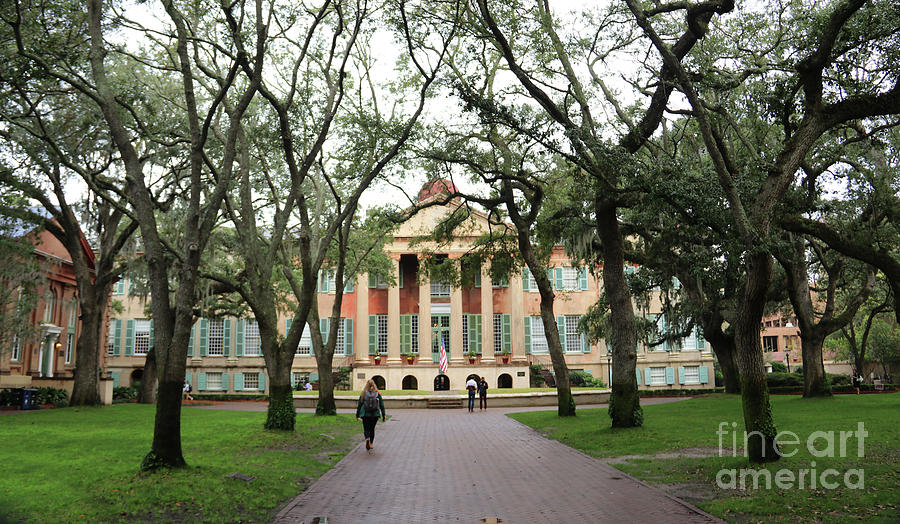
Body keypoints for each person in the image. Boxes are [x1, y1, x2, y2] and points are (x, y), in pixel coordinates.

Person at [356, 379, 386, 453]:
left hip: (365, 414)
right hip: (375, 414)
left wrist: (357, 414)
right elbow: (381, 405)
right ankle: (371, 443)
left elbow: (359, 405)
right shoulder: (377, 393)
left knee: (366, 428)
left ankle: (367, 438)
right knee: (372, 428)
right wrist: (383, 414)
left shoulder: (363, 393)